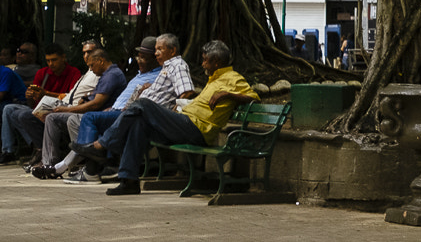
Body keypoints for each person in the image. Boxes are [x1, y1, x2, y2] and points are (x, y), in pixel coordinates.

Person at [78, 39, 258, 196]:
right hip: (183, 122)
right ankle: (129, 181)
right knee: (139, 124)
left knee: (143, 104)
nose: (202, 65)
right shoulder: (213, 78)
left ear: (217, 62)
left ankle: (103, 145)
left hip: (197, 130)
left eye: (205, 61)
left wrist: (227, 94)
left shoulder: (233, 78)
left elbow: (253, 96)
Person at [54, 43, 164, 181]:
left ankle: (88, 170)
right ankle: (91, 166)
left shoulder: (158, 76)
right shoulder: (139, 75)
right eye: (138, 56)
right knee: (86, 121)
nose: (138, 60)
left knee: (89, 118)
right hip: (116, 111)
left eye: (144, 57)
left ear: (154, 59)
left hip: (129, 115)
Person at [32, 47, 126, 178]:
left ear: (101, 61)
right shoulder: (106, 74)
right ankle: (51, 163)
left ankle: (66, 165)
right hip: (95, 112)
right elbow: (95, 98)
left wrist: (68, 109)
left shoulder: (112, 74)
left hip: (100, 114)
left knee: (66, 118)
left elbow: (96, 103)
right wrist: (87, 97)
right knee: (53, 117)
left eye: (92, 65)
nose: (91, 69)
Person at [0, 44, 82, 164]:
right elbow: (33, 104)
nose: (51, 64)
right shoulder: (42, 73)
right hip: (40, 109)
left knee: (23, 115)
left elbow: (71, 98)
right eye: (48, 60)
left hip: (63, 109)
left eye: (54, 60)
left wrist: (46, 94)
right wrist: (31, 96)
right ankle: (35, 147)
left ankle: (41, 149)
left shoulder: (73, 73)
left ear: (63, 58)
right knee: (11, 110)